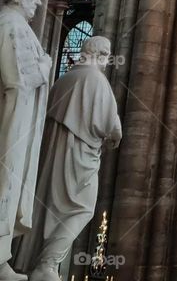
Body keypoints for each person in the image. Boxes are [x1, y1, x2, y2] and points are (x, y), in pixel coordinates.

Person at [14, 36, 121, 281]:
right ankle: (47, 263)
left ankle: (32, 261)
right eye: (106, 55)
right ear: (102, 55)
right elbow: (110, 124)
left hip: (53, 155)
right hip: (79, 160)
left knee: (48, 207)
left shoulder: (64, 79)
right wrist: (116, 135)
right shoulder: (96, 80)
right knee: (81, 209)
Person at [0, 0, 50, 281]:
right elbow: (20, 79)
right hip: (12, 124)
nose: (39, 3)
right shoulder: (12, 25)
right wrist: (45, 65)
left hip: (19, 121)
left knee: (8, 184)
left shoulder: (20, 27)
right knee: (5, 182)